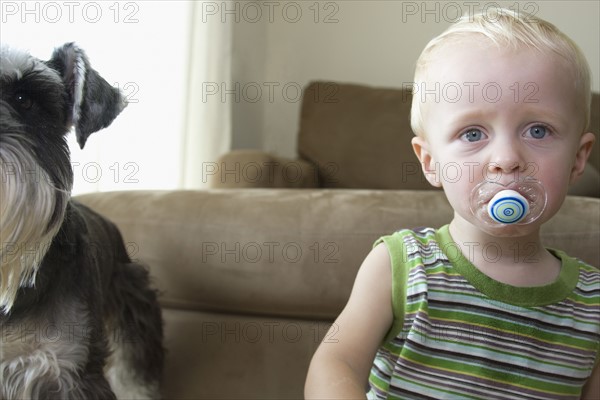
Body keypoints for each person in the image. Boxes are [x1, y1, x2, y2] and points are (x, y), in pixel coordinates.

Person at [305, 7, 600, 400]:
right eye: (473, 132)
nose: (506, 157)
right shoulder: (401, 266)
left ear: (578, 159)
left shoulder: (592, 304)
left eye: (538, 129)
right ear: (430, 162)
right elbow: (336, 362)